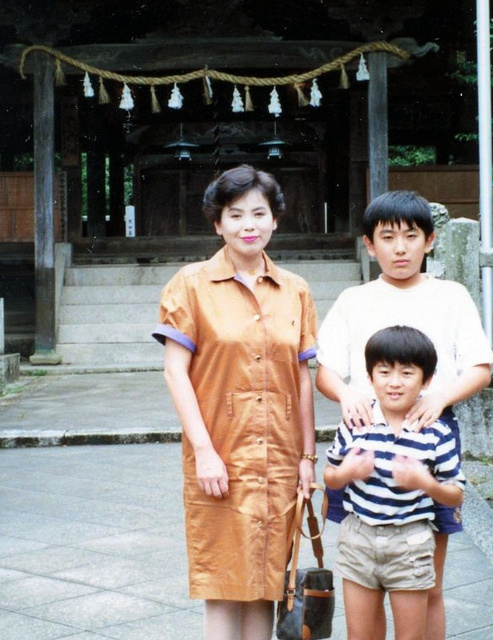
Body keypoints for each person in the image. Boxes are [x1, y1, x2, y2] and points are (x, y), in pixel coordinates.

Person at [316, 190, 493, 640]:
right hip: (363, 440)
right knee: (364, 580)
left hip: (427, 437)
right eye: (388, 237)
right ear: (369, 244)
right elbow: (326, 371)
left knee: (426, 582)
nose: (400, 248)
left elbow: (480, 367)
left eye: (411, 236)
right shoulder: (353, 300)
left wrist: (439, 399)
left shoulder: (450, 296)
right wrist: (344, 394)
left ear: (430, 241)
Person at [152, 164, 318, 640]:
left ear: (275, 220)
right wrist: (203, 450)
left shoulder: (296, 290)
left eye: (260, 213)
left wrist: (308, 457)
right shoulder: (190, 284)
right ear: (217, 223)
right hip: (220, 454)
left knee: (268, 584)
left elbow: (301, 378)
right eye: (236, 214)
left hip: (281, 458)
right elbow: (175, 371)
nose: (250, 225)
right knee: (223, 583)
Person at [324, 325, 466, 640]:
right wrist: (347, 472)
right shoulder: (355, 425)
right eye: (384, 372)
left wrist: (425, 482)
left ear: (426, 380)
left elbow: (456, 495)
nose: (395, 382)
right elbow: (330, 477)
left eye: (407, 373)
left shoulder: (436, 433)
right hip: (358, 538)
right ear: (370, 377)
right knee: (359, 635)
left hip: (410, 543)